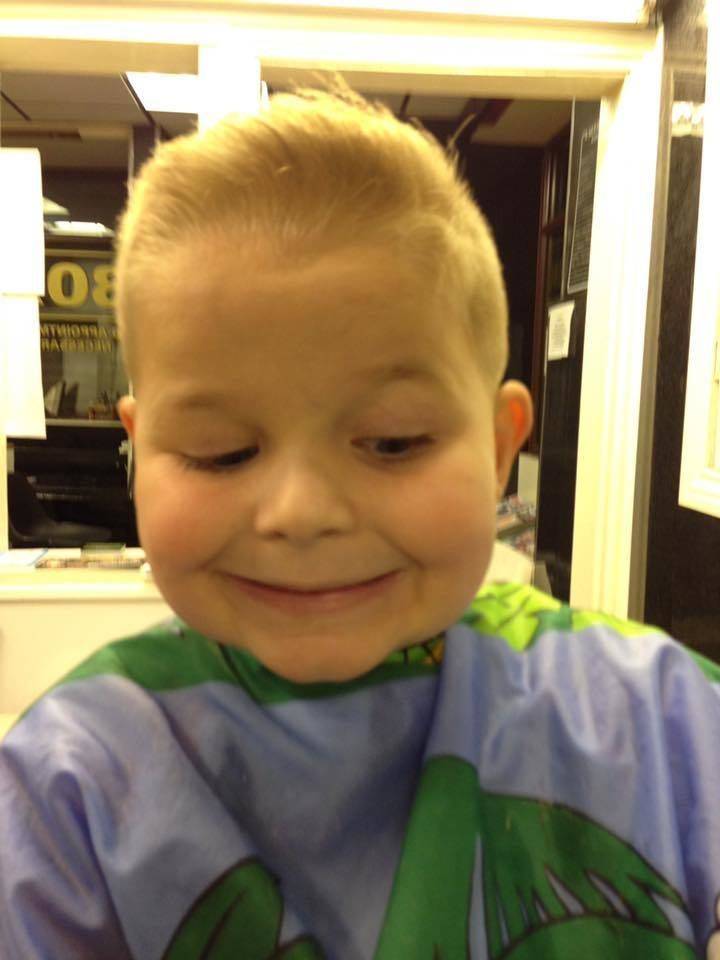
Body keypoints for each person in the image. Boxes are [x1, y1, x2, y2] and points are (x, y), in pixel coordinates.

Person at [1, 83, 719, 960]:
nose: (301, 514)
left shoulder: (665, 723)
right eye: (222, 452)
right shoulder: (65, 789)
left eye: (392, 442)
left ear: (500, 450)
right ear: (139, 449)